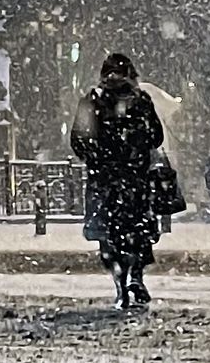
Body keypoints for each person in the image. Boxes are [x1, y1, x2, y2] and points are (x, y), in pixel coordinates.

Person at [71, 53, 164, 310]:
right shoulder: (140, 101)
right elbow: (156, 136)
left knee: (108, 236)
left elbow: (78, 139)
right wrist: (135, 148)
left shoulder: (92, 101)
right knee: (138, 232)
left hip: (105, 181)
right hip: (135, 180)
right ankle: (137, 276)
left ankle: (120, 285)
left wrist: (97, 158)